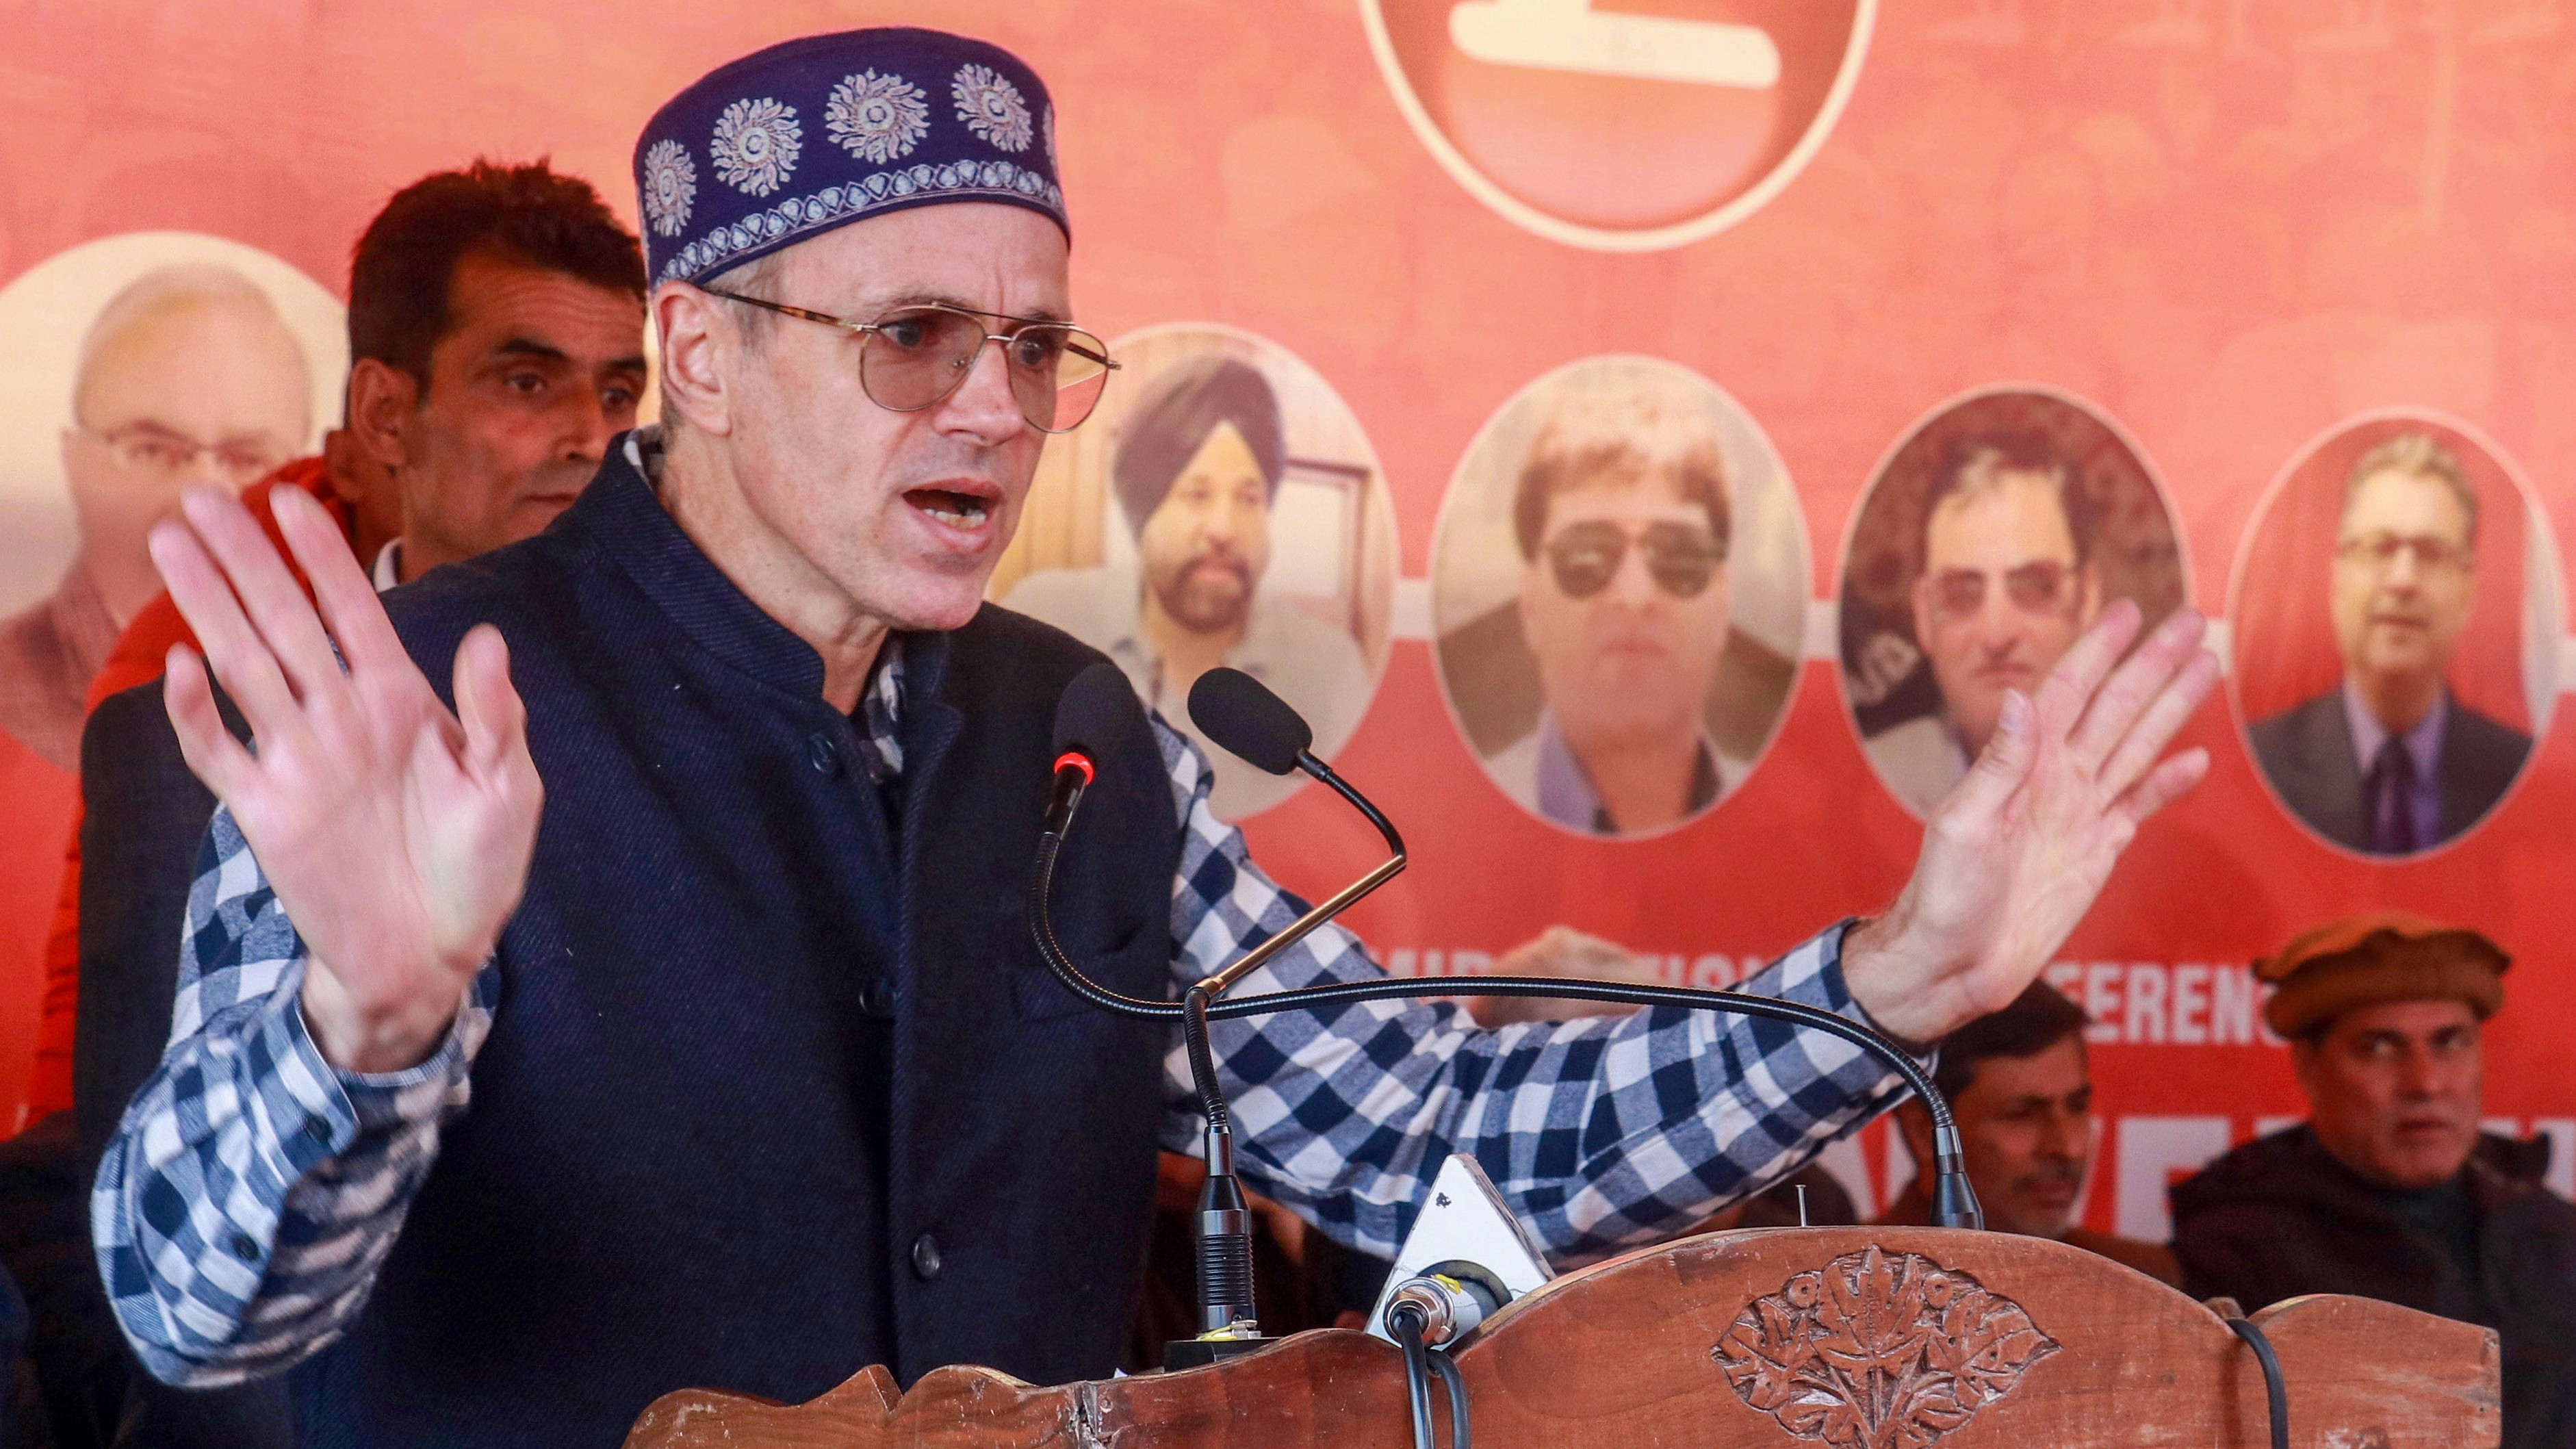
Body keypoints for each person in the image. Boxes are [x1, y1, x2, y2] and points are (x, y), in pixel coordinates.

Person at [92, 28, 2217, 1446]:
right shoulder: (412, 705)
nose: (995, 408)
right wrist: (367, 1022)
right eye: (913, 335)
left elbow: (1420, 1143)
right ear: (704, 360)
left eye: (1031, 343)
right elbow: (199, 1314)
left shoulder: (1073, 727)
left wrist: (1897, 985)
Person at [44, 160, 647, 1449]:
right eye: (525, 381)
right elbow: (153, 1229)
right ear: (384, 411)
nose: (589, 437)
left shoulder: (691, 698)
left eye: (617, 390)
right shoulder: (199, 718)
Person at [2169, 914, 2575, 1449]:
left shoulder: (2551, 1228)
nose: (2426, 1083)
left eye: (2450, 1042)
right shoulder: (2234, 1249)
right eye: (2380, 1047)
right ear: (2309, 1067)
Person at [1005, 353, 1371, 817]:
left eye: (1249, 497)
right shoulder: (1047, 616)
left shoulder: (1331, 666)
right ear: (1144, 510)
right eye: (1197, 494)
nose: (1223, 527)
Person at [1, 267, 311, 775]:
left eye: (248, 457)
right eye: (152, 449)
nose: (201, 495)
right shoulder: (9, 686)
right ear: (75, 464)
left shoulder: (343, 683)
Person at [1491, 372, 1747, 835]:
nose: (1634, 594)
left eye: (1677, 555)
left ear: (1723, 604)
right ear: (1529, 605)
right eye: (1587, 555)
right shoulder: (1458, 822)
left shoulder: (1797, 822)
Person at [2248, 434, 2530, 854]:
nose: (2403, 580)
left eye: (2431, 553)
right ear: (2337, 580)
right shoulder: (2262, 764)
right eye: (2380, 548)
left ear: (2468, 593)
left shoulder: (2517, 773)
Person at [1877, 981, 2177, 1283]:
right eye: (2021, 1116)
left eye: (2077, 1107)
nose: (2068, 1147)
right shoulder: (1850, 1286)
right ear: (1923, 1132)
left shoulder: (2146, 1286)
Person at [1865, 434, 2102, 817]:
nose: (1996, 634)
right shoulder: (1864, 787)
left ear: (2087, 600)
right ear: (1924, 617)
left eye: (2034, 586)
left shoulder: (2156, 778)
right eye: (1960, 593)